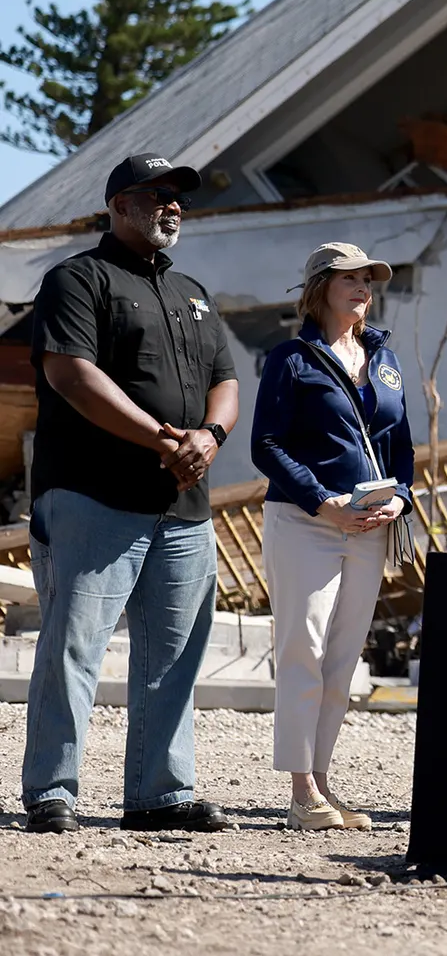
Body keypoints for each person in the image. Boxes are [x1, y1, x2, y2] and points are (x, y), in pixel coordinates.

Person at [21, 154, 239, 834]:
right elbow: (71, 375)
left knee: (173, 654)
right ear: (119, 204)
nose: (172, 206)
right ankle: (53, 791)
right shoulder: (77, 280)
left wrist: (210, 435)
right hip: (92, 495)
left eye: (180, 198)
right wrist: (161, 440)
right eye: (157, 194)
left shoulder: (194, 294)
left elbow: (226, 380)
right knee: (74, 646)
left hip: (182, 508)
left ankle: (159, 796)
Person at [251, 243, 414, 831]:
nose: (364, 287)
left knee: (343, 658)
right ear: (320, 287)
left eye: (369, 278)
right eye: (351, 278)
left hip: (372, 523)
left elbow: (401, 444)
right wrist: (324, 503)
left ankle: (320, 784)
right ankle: (299, 792)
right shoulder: (290, 359)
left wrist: (402, 497)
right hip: (306, 523)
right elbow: (265, 446)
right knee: (305, 648)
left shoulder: (384, 357)